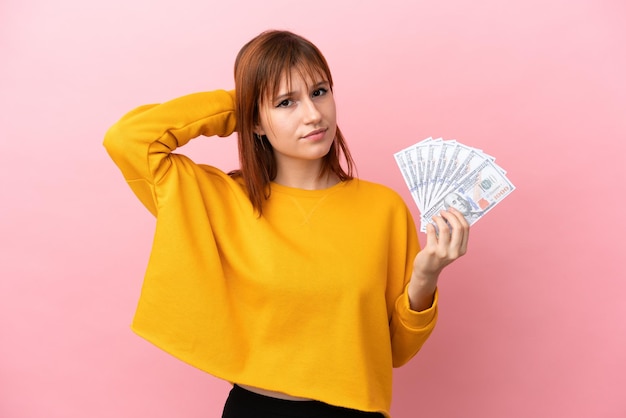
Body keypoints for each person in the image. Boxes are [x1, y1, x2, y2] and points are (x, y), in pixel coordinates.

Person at [103, 30, 469, 418]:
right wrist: (241, 105)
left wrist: (425, 278)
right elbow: (127, 140)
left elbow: (394, 351)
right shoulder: (220, 200)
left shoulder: (384, 209)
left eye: (319, 92)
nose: (313, 114)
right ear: (255, 122)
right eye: (285, 102)